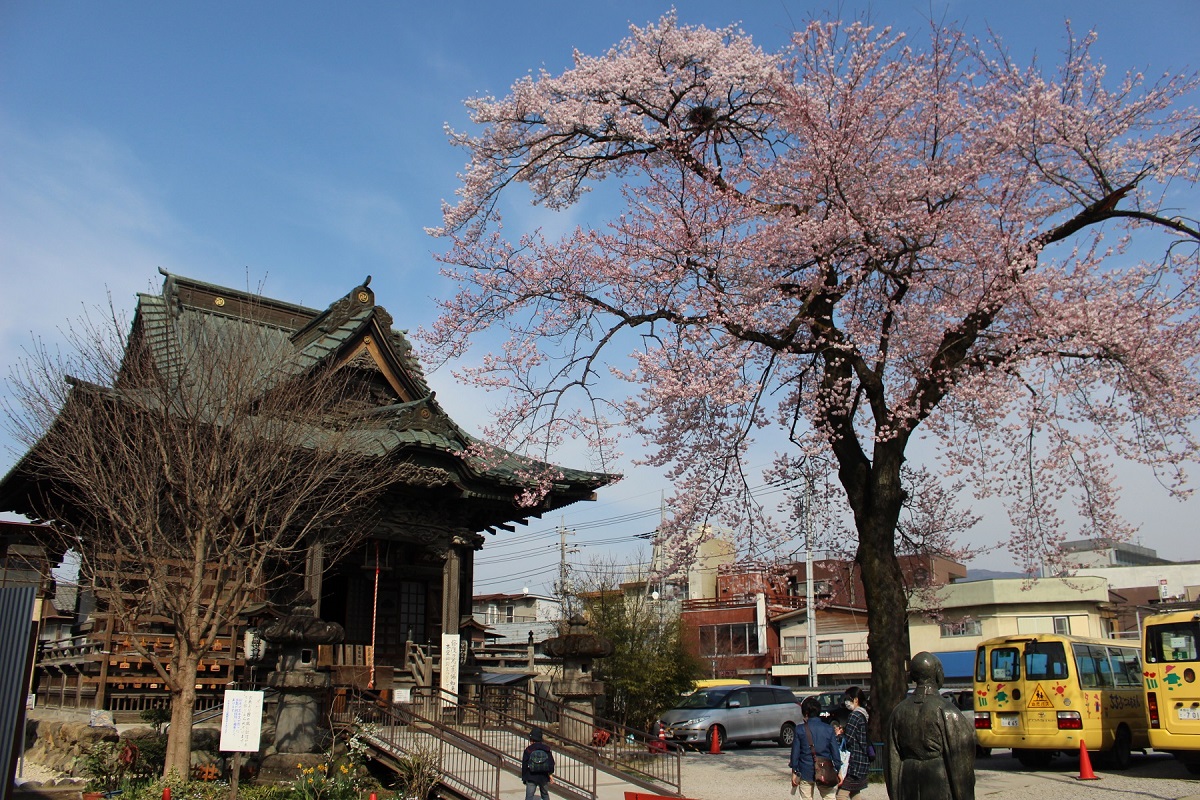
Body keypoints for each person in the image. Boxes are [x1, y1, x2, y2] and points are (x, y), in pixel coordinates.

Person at [885, 652, 976, 800]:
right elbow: (961, 762)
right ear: (938, 674)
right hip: (938, 778)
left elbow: (891, 760)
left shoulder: (899, 712)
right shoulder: (947, 711)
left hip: (908, 778)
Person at [790, 696, 841, 800]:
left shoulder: (800, 729)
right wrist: (838, 769)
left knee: (806, 797)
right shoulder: (828, 729)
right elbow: (835, 752)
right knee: (829, 797)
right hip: (825, 770)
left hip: (805, 770)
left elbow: (795, 754)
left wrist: (794, 771)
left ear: (805, 713)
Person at [837, 687, 871, 799]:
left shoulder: (854, 716)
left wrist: (839, 735)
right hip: (862, 760)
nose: (846, 702)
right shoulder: (864, 714)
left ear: (855, 700)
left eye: (848, 699)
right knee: (855, 792)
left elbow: (848, 739)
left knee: (841, 795)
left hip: (853, 763)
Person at [521, 726, 555, 800]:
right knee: (545, 795)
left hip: (531, 776)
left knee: (529, 796)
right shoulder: (546, 749)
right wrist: (550, 773)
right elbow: (551, 763)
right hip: (543, 776)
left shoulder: (528, 750)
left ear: (532, 739)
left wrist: (524, 778)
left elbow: (524, 764)